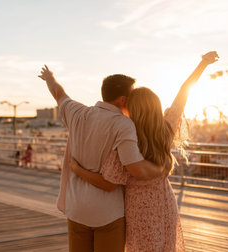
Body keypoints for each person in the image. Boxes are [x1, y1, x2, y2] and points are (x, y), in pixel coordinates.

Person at [70, 51, 219, 251]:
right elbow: (183, 94)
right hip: (164, 201)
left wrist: (76, 169)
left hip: (138, 208)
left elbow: (107, 182)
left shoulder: (127, 140)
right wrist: (203, 64)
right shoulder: (165, 130)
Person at [38, 66, 166, 252]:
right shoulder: (123, 125)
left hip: (76, 209)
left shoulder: (76, 112)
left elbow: (59, 94)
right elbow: (135, 168)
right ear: (123, 99)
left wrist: (50, 78)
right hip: (107, 214)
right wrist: (161, 169)